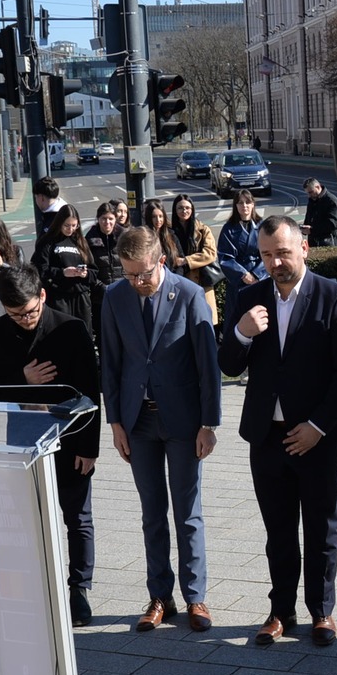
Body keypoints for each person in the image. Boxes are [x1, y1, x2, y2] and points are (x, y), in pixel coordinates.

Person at [217, 215, 337, 648]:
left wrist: (317, 427)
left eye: (283, 252)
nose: (275, 262)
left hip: (318, 435)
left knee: (320, 528)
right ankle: (281, 611)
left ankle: (321, 611)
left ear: (304, 248)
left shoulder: (334, 296)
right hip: (267, 435)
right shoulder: (248, 296)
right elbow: (227, 364)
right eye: (266, 255)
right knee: (278, 530)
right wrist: (241, 334)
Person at [98, 227, 221, 634]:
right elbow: (112, 364)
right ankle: (160, 597)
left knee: (188, 514)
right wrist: (114, 421)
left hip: (184, 422)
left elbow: (208, 364)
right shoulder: (115, 297)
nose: (137, 283)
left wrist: (208, 423)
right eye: (129, 274)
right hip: (138, 422)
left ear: (161, 262)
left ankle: (196, 597)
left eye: (144, 275)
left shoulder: (188, 294)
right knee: (152, 512)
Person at [0, 263, 104, 625]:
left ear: (43, 296)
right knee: (28, 519)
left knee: (77, 517)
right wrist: (23, 378)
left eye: (31, 311)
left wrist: (88, 447)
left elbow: (91, 391)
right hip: (23, 439)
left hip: (71, 437)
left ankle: (78, 588)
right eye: (16, 314)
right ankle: (38, 586)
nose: (25, 319)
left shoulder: (70, 329)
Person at [32, 203, 108, 346]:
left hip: (80, 296)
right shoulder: (48, 242)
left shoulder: (80, 242)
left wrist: (84, 273)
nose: (70, 229)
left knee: (83, 337)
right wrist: (62, 272)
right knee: (62, 338)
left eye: (74, 226)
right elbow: (39, 269)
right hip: (58, 297)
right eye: (67, 225)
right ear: (59, 223)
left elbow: (93, 271)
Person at [168, 195, 222, 319]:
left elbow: (210, 253)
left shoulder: (203, 230)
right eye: (180, 208)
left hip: (201, 283)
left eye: (187, 208)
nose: (184, 211)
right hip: (178, 281)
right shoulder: (169, 232)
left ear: (192, 209)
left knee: (203, 321)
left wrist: (186, 260)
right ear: (175, 210)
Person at [217, 188, 265, 297]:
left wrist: (256, 274)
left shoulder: (263, 226)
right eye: (240, 203)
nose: (244, 206)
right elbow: (225, 257)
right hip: (239, 281)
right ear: (235, 206)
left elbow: (269, 253)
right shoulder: (228, 228)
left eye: (248, 202)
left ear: (253, 204)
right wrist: (243, 274)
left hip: (260, 278)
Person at [302, 178, 337, 249]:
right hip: (314, 243)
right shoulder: (312, 200)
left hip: (328, 244)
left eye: (311, 192)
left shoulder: (331, 201)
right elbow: (308, 218)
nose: (309, 195)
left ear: (318, 187)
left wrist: (312, 230)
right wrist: (303, 228)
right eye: (307, 193)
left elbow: (333, 224)